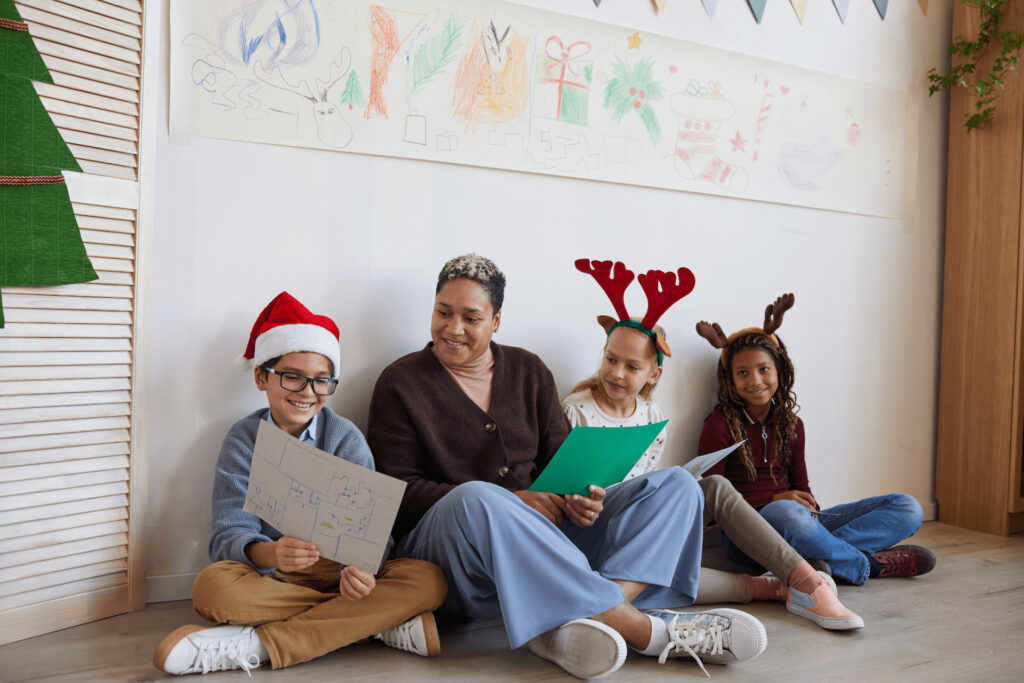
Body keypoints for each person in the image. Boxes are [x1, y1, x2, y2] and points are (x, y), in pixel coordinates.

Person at [368, 254, 767, 680]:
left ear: (497, 320)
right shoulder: (400, 383)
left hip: (545, 542)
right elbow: (396, 495)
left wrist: (582, 498)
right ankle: (642, 629)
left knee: (679, 486)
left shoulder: (529, 371)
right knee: (478, 497)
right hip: (454, 553)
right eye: (443, 312)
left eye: (471, 317)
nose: (454, 328)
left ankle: (590, 613)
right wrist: (513, 499)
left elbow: (563, 462)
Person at [153, 292, 447, 676]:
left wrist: (361, 571)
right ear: (262, 376)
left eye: (321, 381)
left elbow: (375, 534)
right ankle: (372, 624)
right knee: (211, 587)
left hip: (340, 577)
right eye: (292, 377)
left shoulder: (346, 438)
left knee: (430, 580)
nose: (308, 392)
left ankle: (256, 644)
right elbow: (228, 533)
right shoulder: (244, 440)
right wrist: (271, 554)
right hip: (275, 577)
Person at [564, 260, 862, 631]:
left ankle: (805, 583)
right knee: (667, 568)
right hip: (593, 522)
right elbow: (561, 486)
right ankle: (797, 582)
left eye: (631, 366)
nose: (617, 373)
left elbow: (647, 479)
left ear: (653, 374)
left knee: (708, 489)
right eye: (610, 359)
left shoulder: (652, 414)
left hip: (635, 521)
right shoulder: (575, 410)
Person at [696, 293, 936, 587]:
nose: (755, 381)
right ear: (729, 380)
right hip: (748, 537)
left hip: (796, 520)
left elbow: (802, 489)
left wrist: (806, 511)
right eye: (743, 373)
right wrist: (773, 500)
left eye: (763, 370)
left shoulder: (793, 424)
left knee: (908, 508)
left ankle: (819, 558)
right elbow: (711, 505)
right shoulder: (718, 425)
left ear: (779, 371)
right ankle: (868, 565)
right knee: (785, 512)